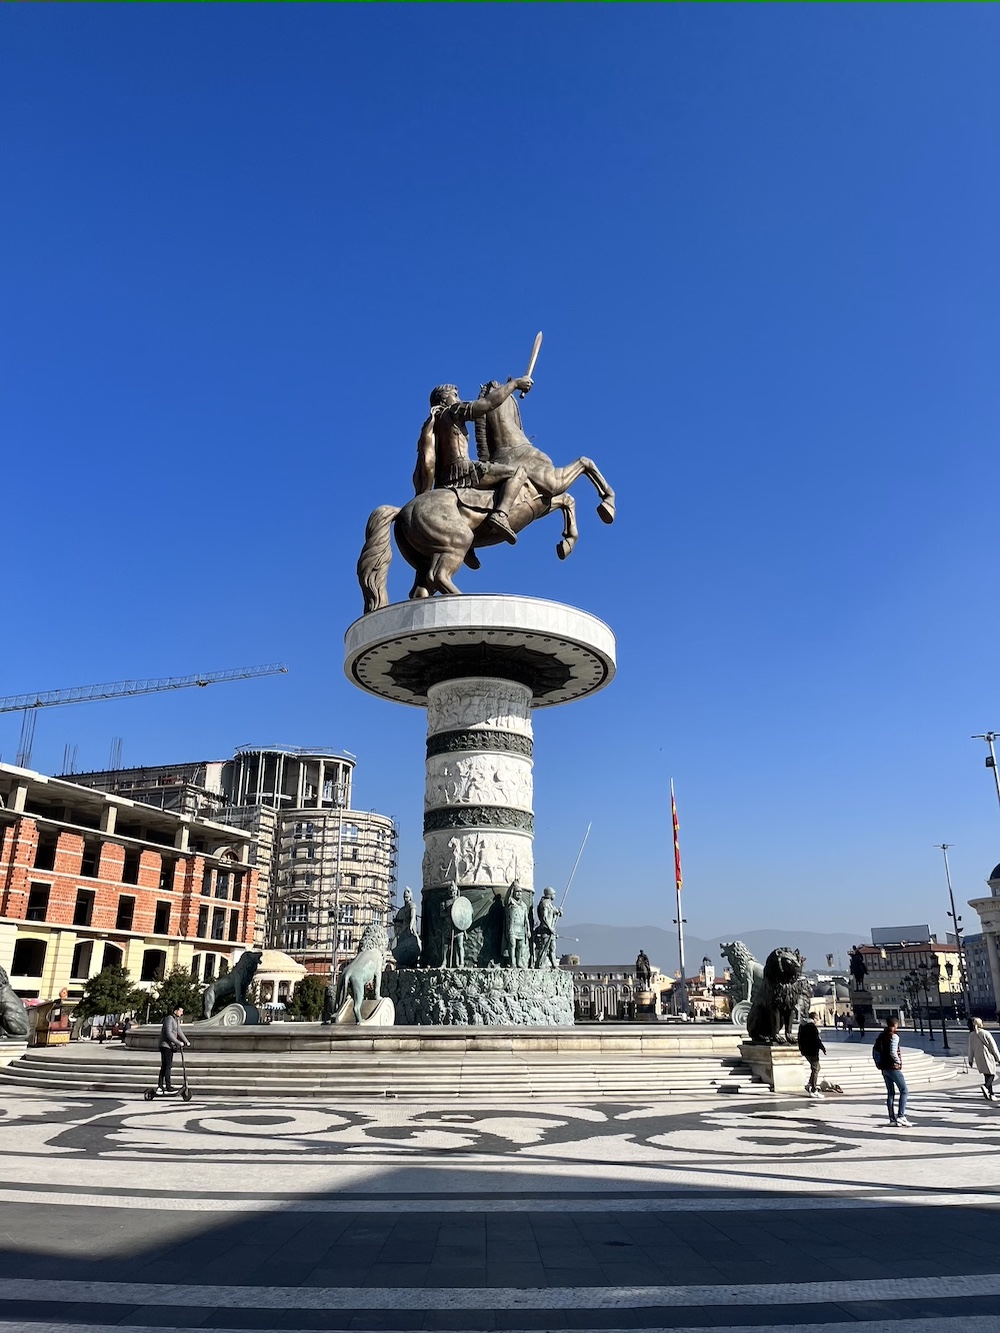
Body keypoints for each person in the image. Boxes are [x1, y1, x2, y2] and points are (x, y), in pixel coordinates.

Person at [413, 379, 535, 544]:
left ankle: (468, 536)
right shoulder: (453, 410)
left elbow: (428, 461)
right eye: (455, 395)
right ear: (443, 399)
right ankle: (501, 514)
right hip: (464, 472)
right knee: (519, 472)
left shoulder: (432, 422)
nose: (458, 398)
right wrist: (514, 385)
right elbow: (486, 404)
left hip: (443, 481)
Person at [876, 1017, 911, 1127]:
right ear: (895, 1025)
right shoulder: (894, 1036)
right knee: (904, 1090)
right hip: (892, 1067)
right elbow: (893, 1051)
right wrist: (898, 1061)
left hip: (884, 1068)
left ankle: (892, 1119)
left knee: (891, 1093)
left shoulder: (881, 1036)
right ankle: (901, 1116)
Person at [157, 1005, 190, 1093]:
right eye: (180, 1011)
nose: (182, 1013)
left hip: (170, 1046)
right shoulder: (169, 1019)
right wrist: (178, 1042)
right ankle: (165, 1086)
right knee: (166, 1066)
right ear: (175, 1011)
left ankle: (163, 1086)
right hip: (165, 1045)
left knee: (167, 1066)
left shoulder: (176, 1020)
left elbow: (179, 1031)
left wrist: (186, 1041)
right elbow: (168, 1033)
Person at [968, 1017, 1000, 1101]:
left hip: (979, 1057)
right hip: (988, 1056)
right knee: (992, 1074)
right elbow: (993, 1047)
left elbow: (970, 1048)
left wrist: (970, 1059)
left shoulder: (972, 1035)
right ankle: (985, 1087)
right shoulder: (985, 1033)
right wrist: (998, 1058)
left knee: (986, 1075)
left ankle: (990, 1094)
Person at [797, 1014, 827, 1098]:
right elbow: (816, 1039)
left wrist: (801, 1049)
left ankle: (809, 1085)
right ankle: (813, 1089)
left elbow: (799, 1038)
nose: (817, 1020)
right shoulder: (812, 1027)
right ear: (814, 1018)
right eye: (817, 1019)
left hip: (806, 1051)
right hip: (812, 1051)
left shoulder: (802, 1026)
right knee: (815, 1069)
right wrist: (823, 1048)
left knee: (817, 1067)